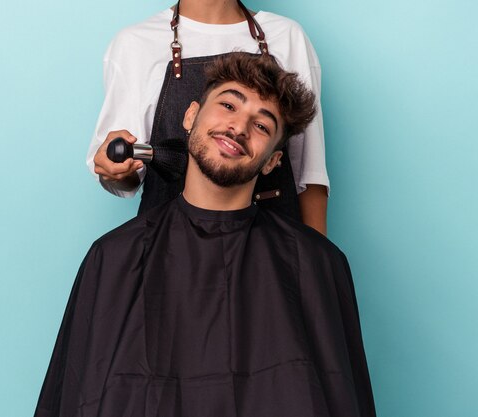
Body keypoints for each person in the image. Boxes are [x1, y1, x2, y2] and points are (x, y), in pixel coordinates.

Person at [36, 53, 375, 417]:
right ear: (191, 115)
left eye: (261, 126)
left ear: (274, 160)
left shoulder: (317, 264)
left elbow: (342, 398)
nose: (238, 128)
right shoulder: (114, 258)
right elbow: (74, 397)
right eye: (228, 105)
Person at [87, 0, 330, 235]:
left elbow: (310, 176)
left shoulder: (287, 36)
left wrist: (317, 266)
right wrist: (117, 171)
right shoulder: (135, 44)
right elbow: (128, 178)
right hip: (167, 248)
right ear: (191, 113)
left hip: (272, 252)